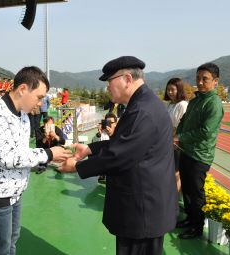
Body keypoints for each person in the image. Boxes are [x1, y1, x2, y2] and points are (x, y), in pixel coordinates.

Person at [58, 56, 178, 255]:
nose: (107, 88)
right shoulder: (143, 103)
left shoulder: (143, 110)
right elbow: (125, 143)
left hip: (142, 210)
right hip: (143, 207)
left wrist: (76, 167)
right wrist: (90, 149)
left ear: (127, 79)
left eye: (109, 82)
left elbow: (119, 155)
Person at [0, 66, 71, 255]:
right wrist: (49, 154)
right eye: (39, 97)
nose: (41, 104)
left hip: (14, 193)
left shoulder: (23, 116)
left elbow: (22, 152)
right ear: (23, 89)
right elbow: (9, 158)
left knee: (11, 242)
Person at [175, 63, 224, 239]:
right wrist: (178, 134)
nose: (200, 82)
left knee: (196, 192)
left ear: (215, 81)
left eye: (205, 79)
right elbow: (184, 120)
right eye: (198, 78)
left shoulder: (214, 103)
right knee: (187, 189)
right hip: (186, 150)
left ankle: (197, 227)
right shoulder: (196, 100)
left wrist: (180, 138)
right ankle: (190, 219)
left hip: (200, 155)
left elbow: (206, 131)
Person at [164, 78, 188, 196]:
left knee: (176, 172)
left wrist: (175, 137)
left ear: (179, 90)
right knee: (168, 171)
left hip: (176, 143)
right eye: (168, 89)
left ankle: (176, 200)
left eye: (173, 89)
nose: (170, 92)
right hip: (167, 141)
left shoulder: (182, 105)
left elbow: (183, 125)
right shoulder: (169, 104)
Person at [91, 112, 118, 184]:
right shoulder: (102, 132)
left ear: (115, 123)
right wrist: (99, 134)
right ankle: (102, 173)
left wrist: (111, 134)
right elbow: (94, 142)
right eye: (107, 122)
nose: (108, 124)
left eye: (111, 122)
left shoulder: (119, 132)